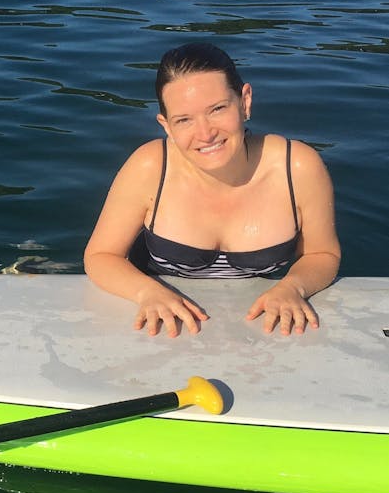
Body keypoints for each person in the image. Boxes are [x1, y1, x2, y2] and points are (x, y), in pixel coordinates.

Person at [84, 42, 340, 337]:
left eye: (217, 109)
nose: (205, 134)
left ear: (245, 102)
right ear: (166, 126)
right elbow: (101, 255)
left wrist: (292, 287)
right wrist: (146, 292)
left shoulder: (296, 167)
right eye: (184, 120)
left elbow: (322, 253)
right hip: (160, 326)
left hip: (257, 327)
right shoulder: (150, 167)